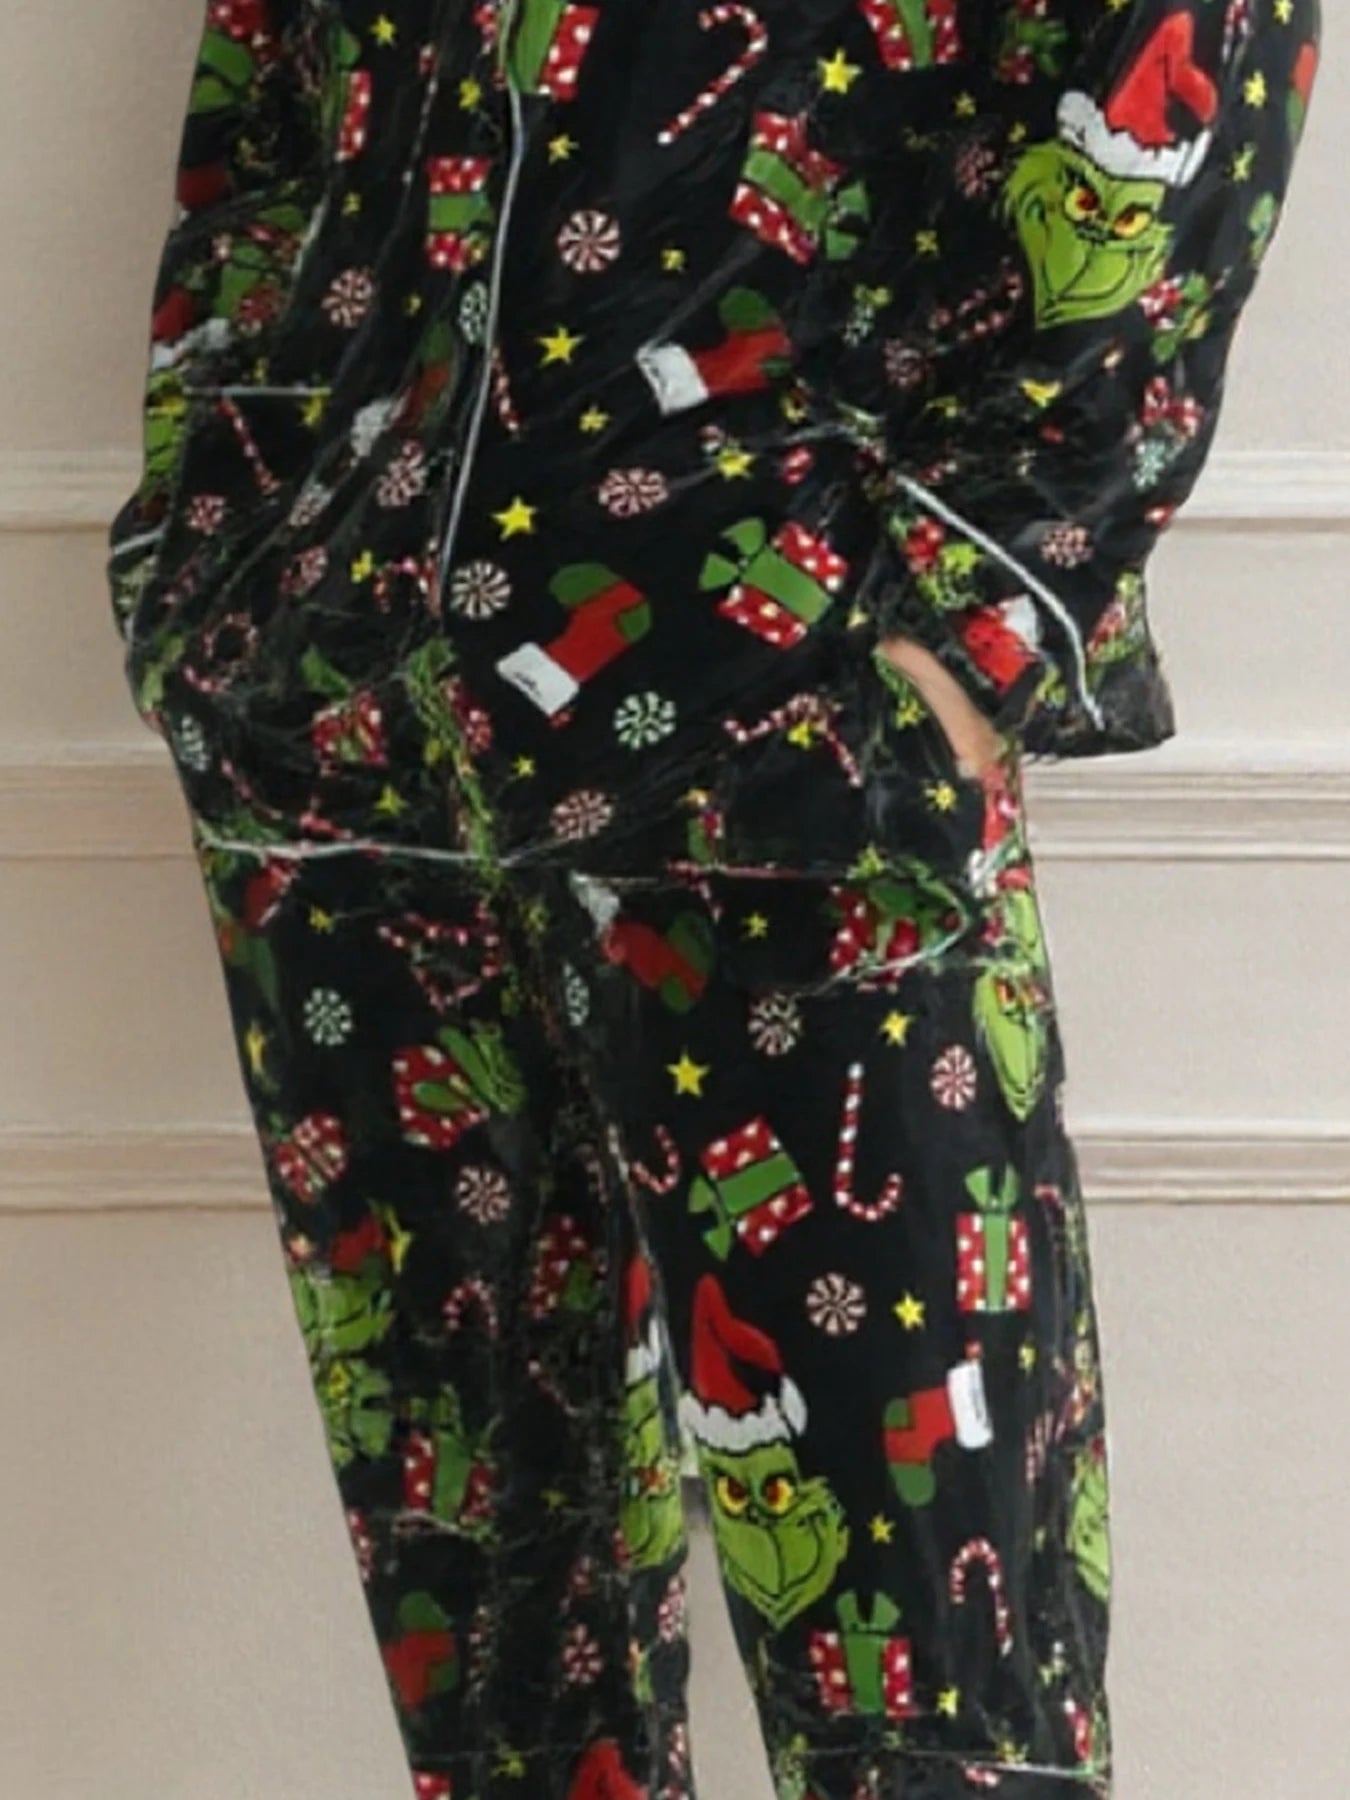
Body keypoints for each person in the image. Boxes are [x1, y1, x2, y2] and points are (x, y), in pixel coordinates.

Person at [105, 3, 1319, 1795]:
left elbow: (1194, 61)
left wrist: (973, 625)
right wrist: (212, 548)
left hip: (786, 737)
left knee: (928, 1668)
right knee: (498, 1650)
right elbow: (265, 111)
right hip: (344, 725)